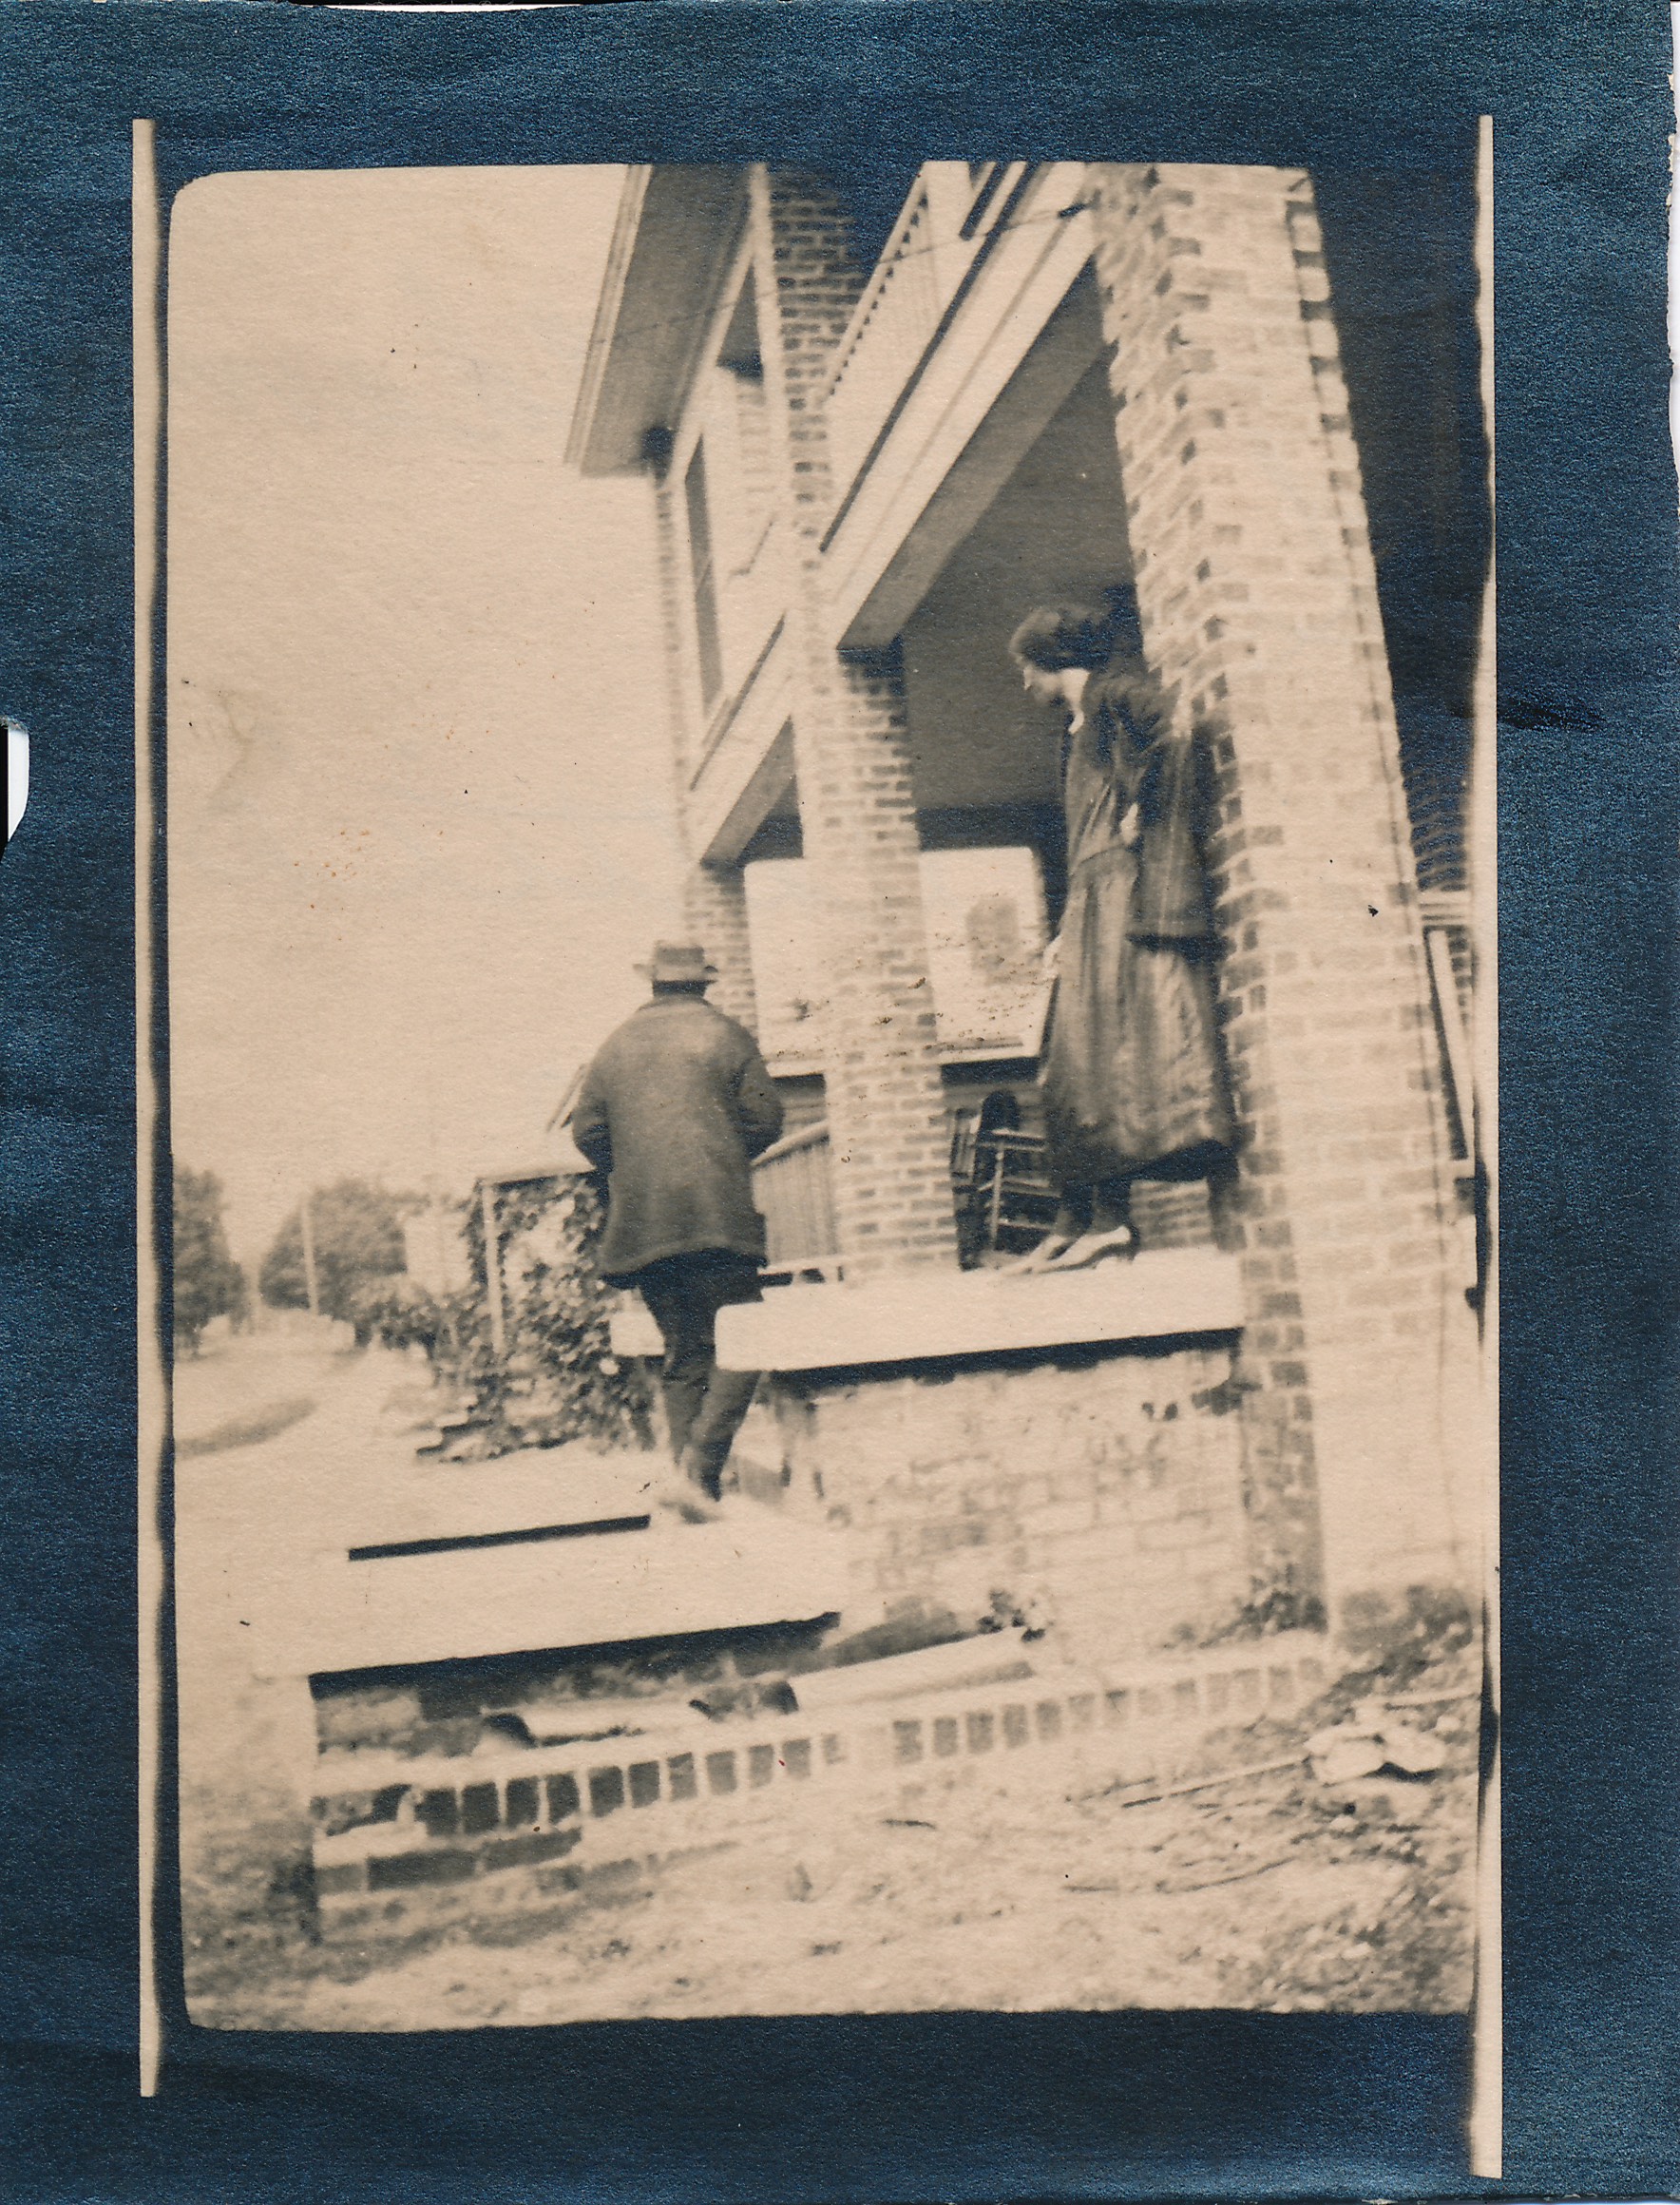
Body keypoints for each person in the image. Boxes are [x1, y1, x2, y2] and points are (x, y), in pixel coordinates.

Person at [1004, 602, 1234, 1273]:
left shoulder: (1116, 698)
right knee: (1072, 1063)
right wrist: (1063, 925)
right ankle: (1085, 1217)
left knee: (1100, 1056)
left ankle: (1106, 1220)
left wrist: (1144, 804)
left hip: (1121, 894)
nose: (1025, 684)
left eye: (1027, 669)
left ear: (1053, 662)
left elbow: (1178, 733)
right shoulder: (1078, 726)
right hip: (1090, 897)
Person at [572, 941, 785, 1522]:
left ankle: (696, 1493)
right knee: (749, 1340)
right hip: (716, 1221)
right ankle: (700, 1468)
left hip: (645, 1230)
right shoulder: (728, 1036)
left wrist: (640, 1170)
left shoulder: (613, 1046)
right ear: (703, 984)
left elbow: (588, 1132)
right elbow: (766, 1120)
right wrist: (718, 1155)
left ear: (654, 984)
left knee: (685, 1355)